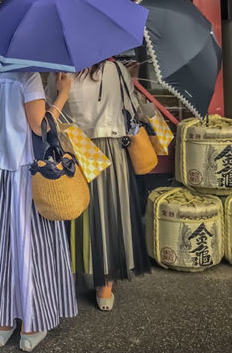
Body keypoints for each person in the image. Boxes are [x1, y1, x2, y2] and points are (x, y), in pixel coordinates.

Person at [0, 66, 77, 352]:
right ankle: (30, 325)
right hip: (20, 173)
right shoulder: (27, 78)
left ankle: (2, 324)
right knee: (30, 245)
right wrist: (62, 94)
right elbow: (38, 125)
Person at [47, 60, 151, 312]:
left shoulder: (60, 70)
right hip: (112, 151)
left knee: (72, 214)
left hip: (75, 149)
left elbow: (51, 110)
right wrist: (129, 77)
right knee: (109, 215)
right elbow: (132, 108)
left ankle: (68, 281)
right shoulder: (117, 69)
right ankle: (104, 287)